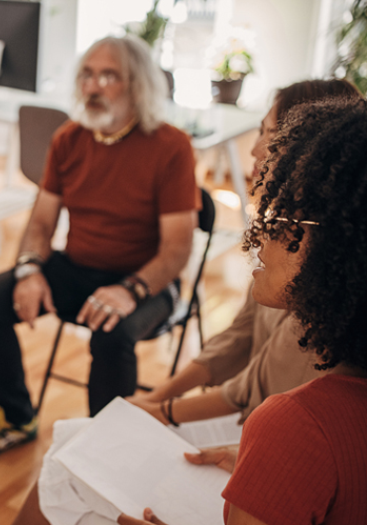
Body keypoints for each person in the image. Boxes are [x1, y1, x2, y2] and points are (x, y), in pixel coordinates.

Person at [121, 96, 367, 525]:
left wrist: (163, 409)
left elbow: (252, 398)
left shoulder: (296, 423)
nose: (258, 236)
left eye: (279, 219)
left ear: (341, 250)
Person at [0, 35, 198, 462]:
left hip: (148, 281)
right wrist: (29, 270)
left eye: (109, 76)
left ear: (137, 86)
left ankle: (107, 452)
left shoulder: (171, 146)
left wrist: (129, 291)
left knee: (111, 331)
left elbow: (178, 250)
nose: (93, 86)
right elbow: (41, 223)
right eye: (87, 75)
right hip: (79, 267)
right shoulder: (69, 139)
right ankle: (17, 418)